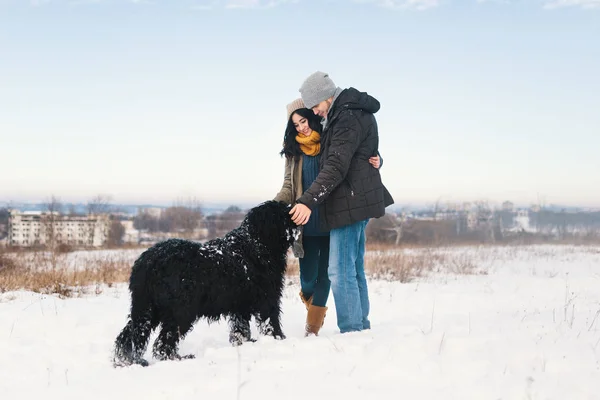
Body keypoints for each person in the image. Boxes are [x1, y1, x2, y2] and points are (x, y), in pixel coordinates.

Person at [289, 71, 394, 334]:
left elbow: (336, 165)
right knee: (354, 269)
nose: (315, 112)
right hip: (357, 200)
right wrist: (377, 157)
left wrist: (307, 201)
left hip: (350, 201)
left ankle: (351, 331)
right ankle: (361, 327)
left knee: (339, 270)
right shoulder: (346, 113)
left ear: (325, 96)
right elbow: (359, 150)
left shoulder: (345, 116)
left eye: (315, 106)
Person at [275, 98, 381, 336]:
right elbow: (288, 187)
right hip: (305, 223)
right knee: (308, 280)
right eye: (296, 124)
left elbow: (352, 157)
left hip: (331, 219)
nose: (301, 127)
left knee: (326, 276)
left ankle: (312, 327)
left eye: (303, 120)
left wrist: (378, 159)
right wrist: (273, 205)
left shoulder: (329, 139)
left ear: (312, 117)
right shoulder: (293, 153)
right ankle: (316, 309)